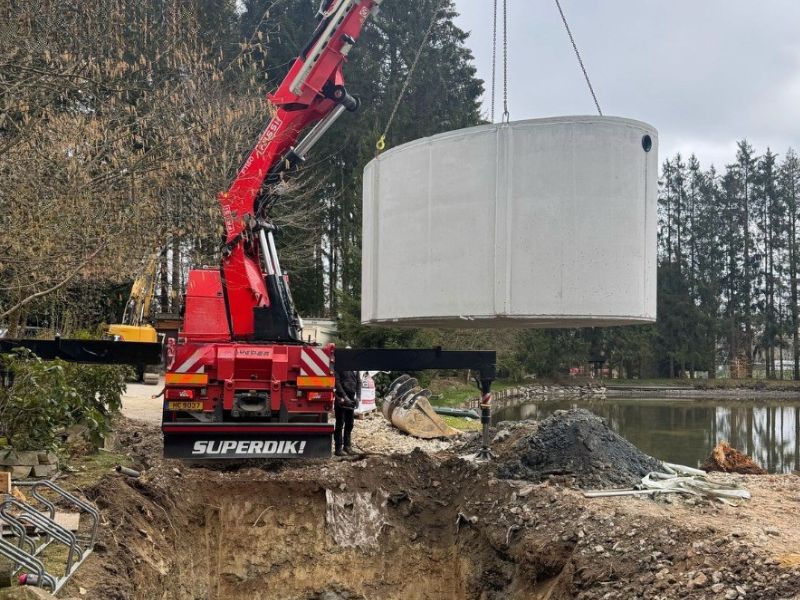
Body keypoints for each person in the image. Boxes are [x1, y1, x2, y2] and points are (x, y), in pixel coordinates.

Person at [334, 367, 359, 456]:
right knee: (340, 423)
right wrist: (345, 397)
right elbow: (337, 382)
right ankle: (338, 448)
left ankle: (347, 446)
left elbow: (359, 382)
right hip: (341, 399)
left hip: (351, 399)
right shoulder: (339, 367)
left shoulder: (355, 368)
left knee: (349, 424)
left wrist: (358, 397)